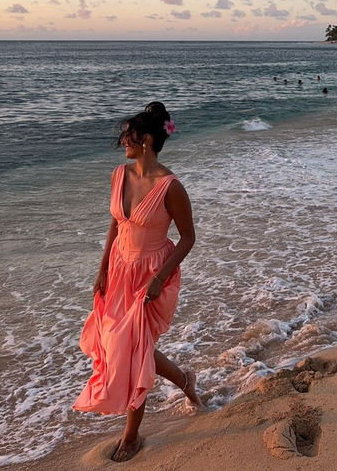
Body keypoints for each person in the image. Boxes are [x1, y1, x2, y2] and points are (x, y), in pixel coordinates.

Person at [73, 101, 202, 461]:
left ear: (146, 140)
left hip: (151, 275)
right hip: (118, 270)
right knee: (127, 345)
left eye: (128, 137)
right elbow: (116, 223)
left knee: (131, 350)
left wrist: (160, 279)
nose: (122, 143)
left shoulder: (170, 187)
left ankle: (131, 436)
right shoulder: (119, 175)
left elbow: (189, 237)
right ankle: (185, 380)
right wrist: (101, 269)